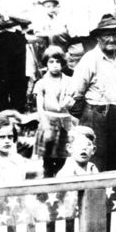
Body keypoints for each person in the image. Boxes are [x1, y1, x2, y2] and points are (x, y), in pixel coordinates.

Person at [69, 14, 116, 172]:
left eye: (114, 34)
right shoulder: (89, 59)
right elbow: (75, 94)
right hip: (97, 115)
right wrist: (84, 118)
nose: (112, 39)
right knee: (97, 162)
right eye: (107, 35)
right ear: (98, 37)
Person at [34, 45, 76, 177]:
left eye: (58, 61)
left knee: (62, 159)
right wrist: (44, 124)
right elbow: (40, 106)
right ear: (46, 63)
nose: (55, 65)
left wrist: (70, 102)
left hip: (64, 123)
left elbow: (74, 101)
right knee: (48, 160)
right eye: (51, 62)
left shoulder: (69, 81)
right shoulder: (41, 83)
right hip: (48, 122)